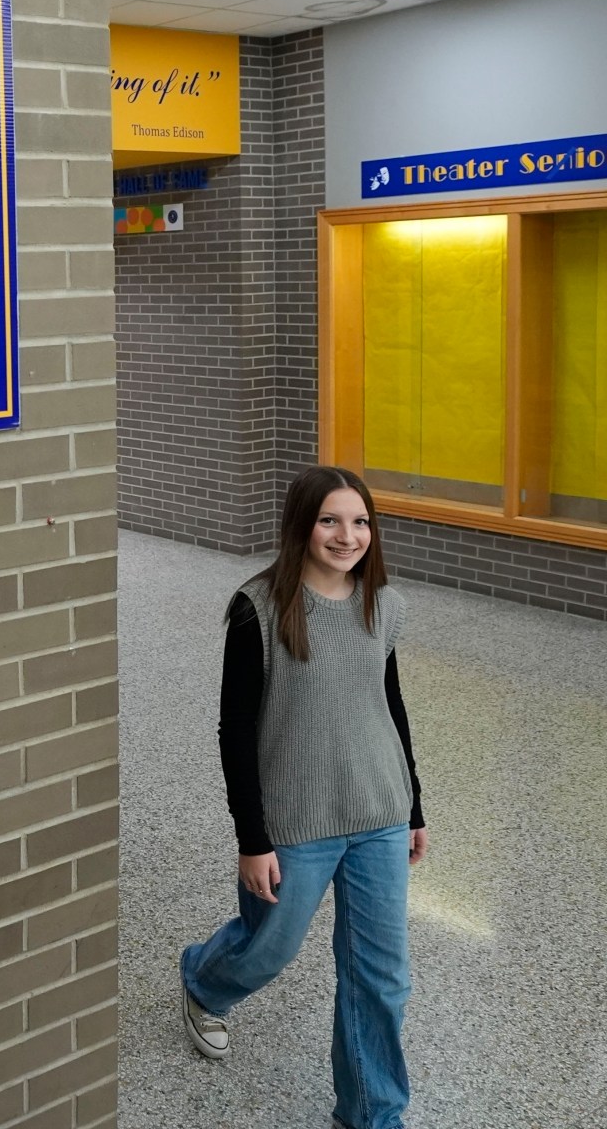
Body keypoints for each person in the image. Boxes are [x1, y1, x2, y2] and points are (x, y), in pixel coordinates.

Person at [177, 465, 428, 1129]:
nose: (348, 536)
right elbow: (236, 730)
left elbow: (390, 706)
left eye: (361, 522)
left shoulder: (385, 605)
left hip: (378, 811)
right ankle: (204, 980)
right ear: (301, 525)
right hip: (296, 820)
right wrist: (252, 839)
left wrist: (414, 808)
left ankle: (372, 1115)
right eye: (330, 521)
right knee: (270, 948)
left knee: (381, 979)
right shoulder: (257, 610)